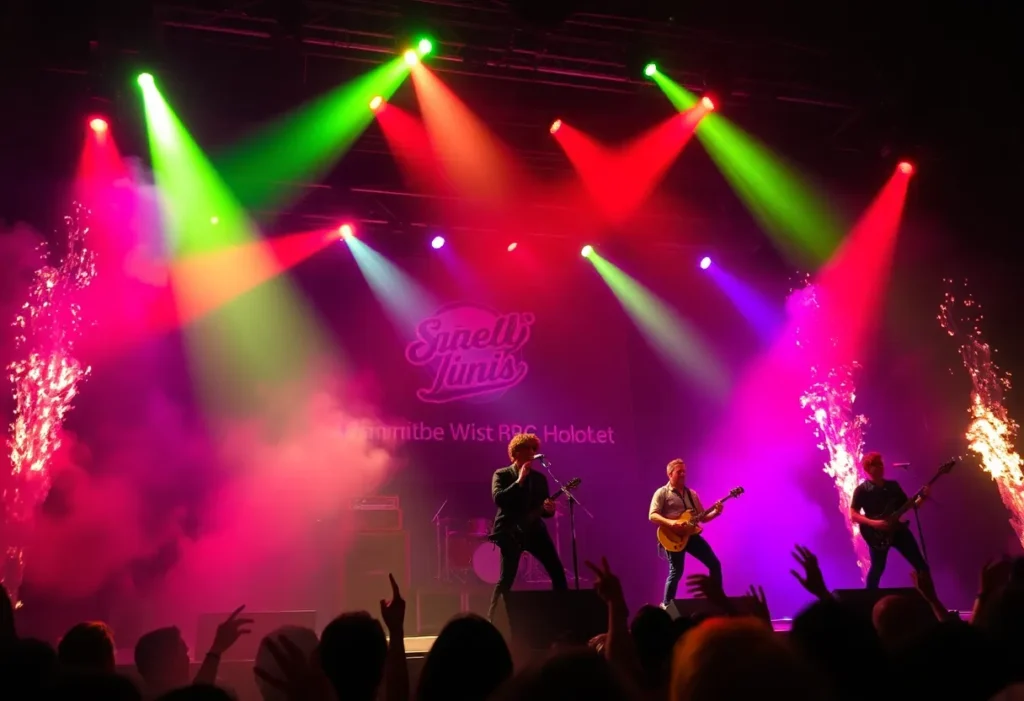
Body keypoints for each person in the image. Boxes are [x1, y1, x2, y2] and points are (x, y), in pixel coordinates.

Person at [487, 433, 568, 621]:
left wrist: (549, 509)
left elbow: (543, 510)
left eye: (534, 449)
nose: (532, 452)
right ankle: (493, 620)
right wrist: (519, 481)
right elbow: (499, 499)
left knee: (557, 570)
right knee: (507, 577)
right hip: (510, 532)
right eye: (528, 448)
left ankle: (563, 616)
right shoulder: (502, 474)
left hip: (535, 531)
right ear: (515, 452)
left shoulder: (540, 479)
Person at [649, 458, 722, 609]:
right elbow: (652, 515)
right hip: (673, 537)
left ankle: (718, 600)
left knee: (714, 564)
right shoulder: (662, 493)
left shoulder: (692, 494)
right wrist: (672, 523)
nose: (683, 474)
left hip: (691, 536)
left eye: (684, 471)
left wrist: (716, 512)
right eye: (679, 472)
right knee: (676, 571)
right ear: (670, 474)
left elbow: (702, 517)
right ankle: (667, 607)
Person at [850, 451, 929, 589]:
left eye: (881, 464)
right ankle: (870, 601)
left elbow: (911, 506)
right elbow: (854, 515)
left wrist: (924, 497)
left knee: (920, 564)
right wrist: (875, 524)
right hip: (877, 536)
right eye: (876, 465)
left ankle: (930, 600)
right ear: (868, 469)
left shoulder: (893, 486)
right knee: (877, 569)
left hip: (898, 531)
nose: (880, 467)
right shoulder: (862, 490)